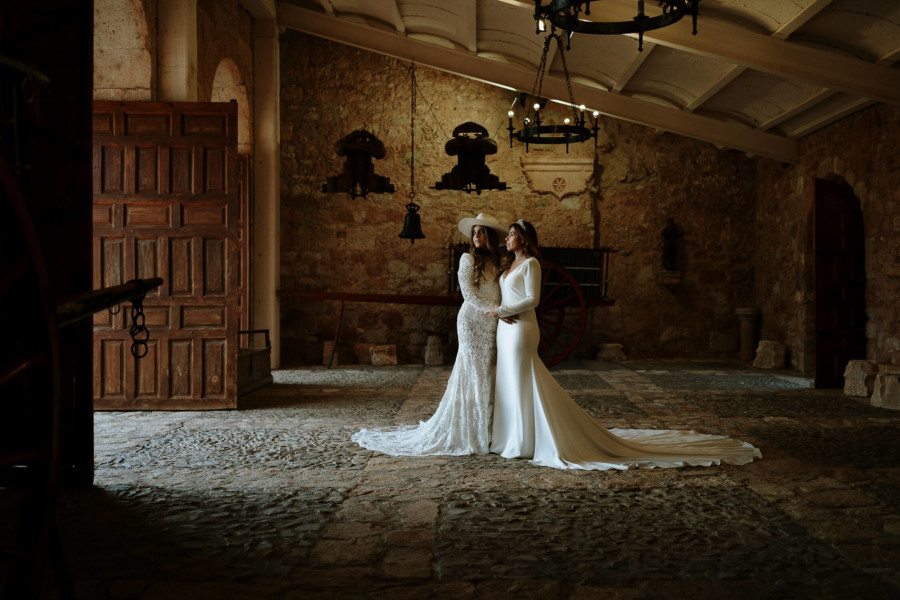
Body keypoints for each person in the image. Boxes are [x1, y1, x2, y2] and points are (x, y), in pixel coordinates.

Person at [486, 219, 762, 470]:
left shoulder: (531, 264)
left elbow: (533, 299)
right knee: (509, 380)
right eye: (508, 235)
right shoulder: (507, 264)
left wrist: (504, 310)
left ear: (523, 239)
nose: (507, 239)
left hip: (521, 328)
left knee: (523, 378)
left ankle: (525, 441)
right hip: (506, 329)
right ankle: (511, 437)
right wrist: (500, 310)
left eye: (512, 235)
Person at [352, 213, 508, 455]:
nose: (476, 236)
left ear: (490, 236)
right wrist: (495, 311)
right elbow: (468, 293)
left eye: (481, 232)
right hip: (472, 322)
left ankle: (490, 429)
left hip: (492, 323)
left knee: (489, 373)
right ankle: (476, 433)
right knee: (476, 374)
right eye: (474, 232)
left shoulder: (499, 262)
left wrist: (502, 312)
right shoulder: (468, 259)